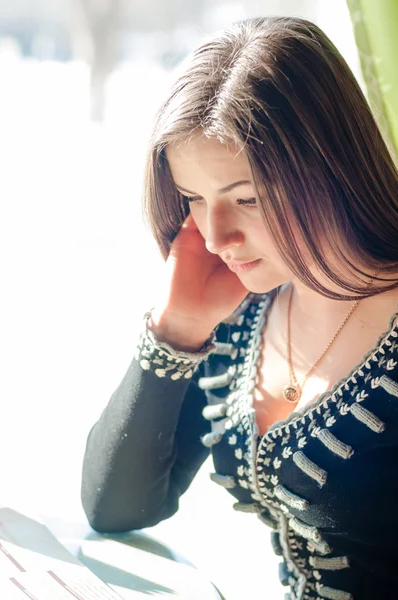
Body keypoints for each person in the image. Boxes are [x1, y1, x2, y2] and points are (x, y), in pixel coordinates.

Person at [81, 16, 398, 600]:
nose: (216, 234)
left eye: (246, 198)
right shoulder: (243, 312)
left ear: (330, 168)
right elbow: (118, 507)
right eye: (195, 199)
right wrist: (176, 329)